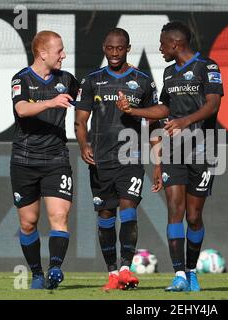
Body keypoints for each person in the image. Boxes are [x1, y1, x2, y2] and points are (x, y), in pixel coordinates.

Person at [116, 21, 224, 292]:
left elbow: (213, 104)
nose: (160, 48)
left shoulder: (207, 67)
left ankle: (191, 271)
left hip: (203, 148)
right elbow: (165, 108)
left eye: (163, 44)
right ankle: (179, 276)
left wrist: (186, 121)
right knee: (174, 211)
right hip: (175, 149)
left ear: (176, 44)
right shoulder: (168, 73)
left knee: (194, 216)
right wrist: (133, 111)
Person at [75, 28, 159, 291]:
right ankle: (112, 272)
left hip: (130, 158)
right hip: (100, 160)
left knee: (129, 208)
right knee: (106, 215)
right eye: (110, 48)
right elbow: (79, 120)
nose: (114, 53)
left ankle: (126, 269)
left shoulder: (143, 81)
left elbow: (155, 121)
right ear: (104, 47)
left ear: (128, 48)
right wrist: (82, 144)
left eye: (119, 48)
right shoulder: (91, 81)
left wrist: (158, 163)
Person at [10, 30, 79, 289]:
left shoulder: (68, 80)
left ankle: (55, 269)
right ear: (42, 53)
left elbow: (87, 101)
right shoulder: (22, 79)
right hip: (24, 160)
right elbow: (21, 109)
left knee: (59, 217)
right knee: (28, 223)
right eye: (59, 50)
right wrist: (50, 102)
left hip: (56, 159)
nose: (64, 55)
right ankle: (37, 273)